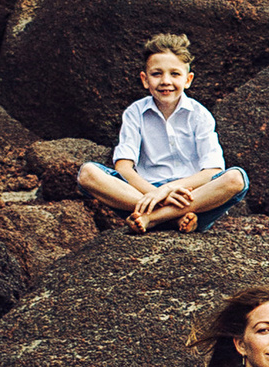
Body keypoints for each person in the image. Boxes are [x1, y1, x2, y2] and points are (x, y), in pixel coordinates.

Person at [78, 32, 250, 231]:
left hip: (191, 194)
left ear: (188, 79)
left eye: (175, 74)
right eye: (156, 74)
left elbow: (213, 170)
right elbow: (124, 167)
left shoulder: (200, 114)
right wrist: (157, 194)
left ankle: (153, 219)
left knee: (237, 179)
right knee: (88, 174)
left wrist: (168, 189)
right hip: (143, 192)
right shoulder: (135, 113)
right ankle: (175, 218)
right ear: (144, 79)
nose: (165, 81)